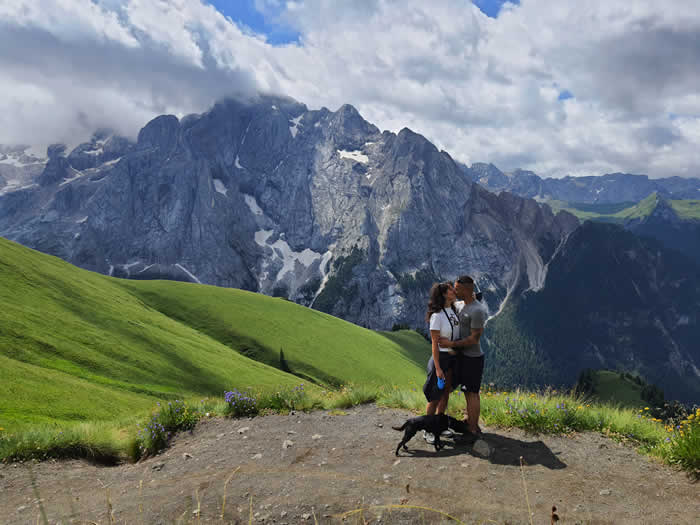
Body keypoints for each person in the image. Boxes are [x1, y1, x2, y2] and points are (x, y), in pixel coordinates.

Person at [440, 275, 487, 435]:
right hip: (460, 357)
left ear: (467, 290)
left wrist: (451, 344)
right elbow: (446, 302)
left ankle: (473, 429)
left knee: (471, 393)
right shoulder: (460, 305)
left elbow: (474, 339)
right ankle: (470, 421)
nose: (454, 290)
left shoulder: (478, 310)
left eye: (457, 288)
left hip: (473, 358)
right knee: (464, 390)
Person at [422, 282, 460, 444]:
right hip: (441, 359)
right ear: (444, 294)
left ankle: (439, 424)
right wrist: (437, 368)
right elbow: (434, 343)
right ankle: (427, 429)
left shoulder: (453, 309)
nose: (454, 290)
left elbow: (470, 299)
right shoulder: (437, 316)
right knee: (435, 397)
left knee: (445, 394)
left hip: (452, 358)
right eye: (451, 289)